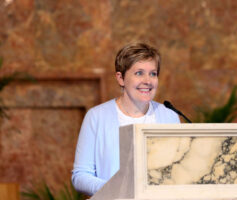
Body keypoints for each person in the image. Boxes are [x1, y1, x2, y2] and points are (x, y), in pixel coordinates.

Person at [71, 42, 180, 196]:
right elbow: (80, 176)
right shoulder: (97, 117)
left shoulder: (169, 116)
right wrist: (117, 189)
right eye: (139, 73)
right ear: (121, 78)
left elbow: (178, 170)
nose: (147, 81)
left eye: (153, 73)